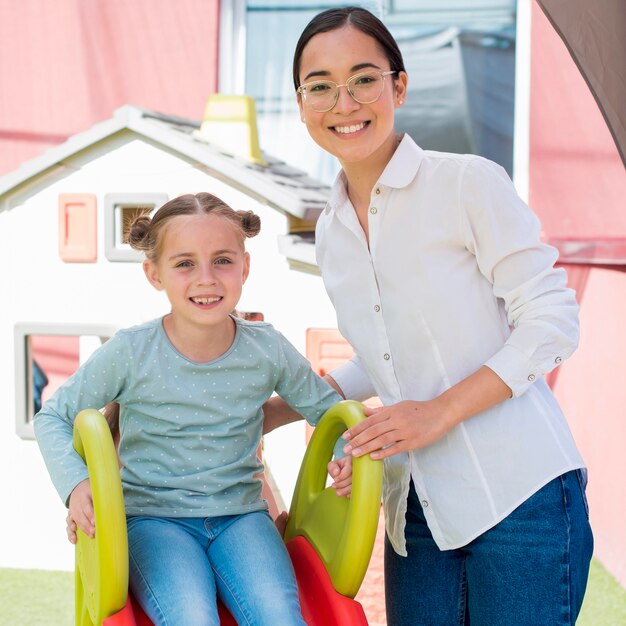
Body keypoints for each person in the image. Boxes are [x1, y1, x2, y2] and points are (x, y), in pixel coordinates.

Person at [267, 6, 594, 626]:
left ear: (399, 84)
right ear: (302, 103)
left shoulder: (468, 184)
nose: (345, 101)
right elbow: (381, 355)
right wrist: (276, 413)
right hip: (414, 511)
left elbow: (551, 319)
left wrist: (438, 413)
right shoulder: (331, 230)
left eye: (364, 78)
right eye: (321, 86)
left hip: (522, 498)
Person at [34, 192, 347, 626]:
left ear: (245, 267)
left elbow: (326, 408)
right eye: (184, 263)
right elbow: (52, 416)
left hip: (241, 518)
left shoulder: (267, 348)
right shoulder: (131, 351)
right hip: (154, 521)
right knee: (191, 618)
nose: (206, 279)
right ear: (154, 274)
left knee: (280, 617)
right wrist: (76, 484)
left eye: (222, 260)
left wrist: (344, 454)